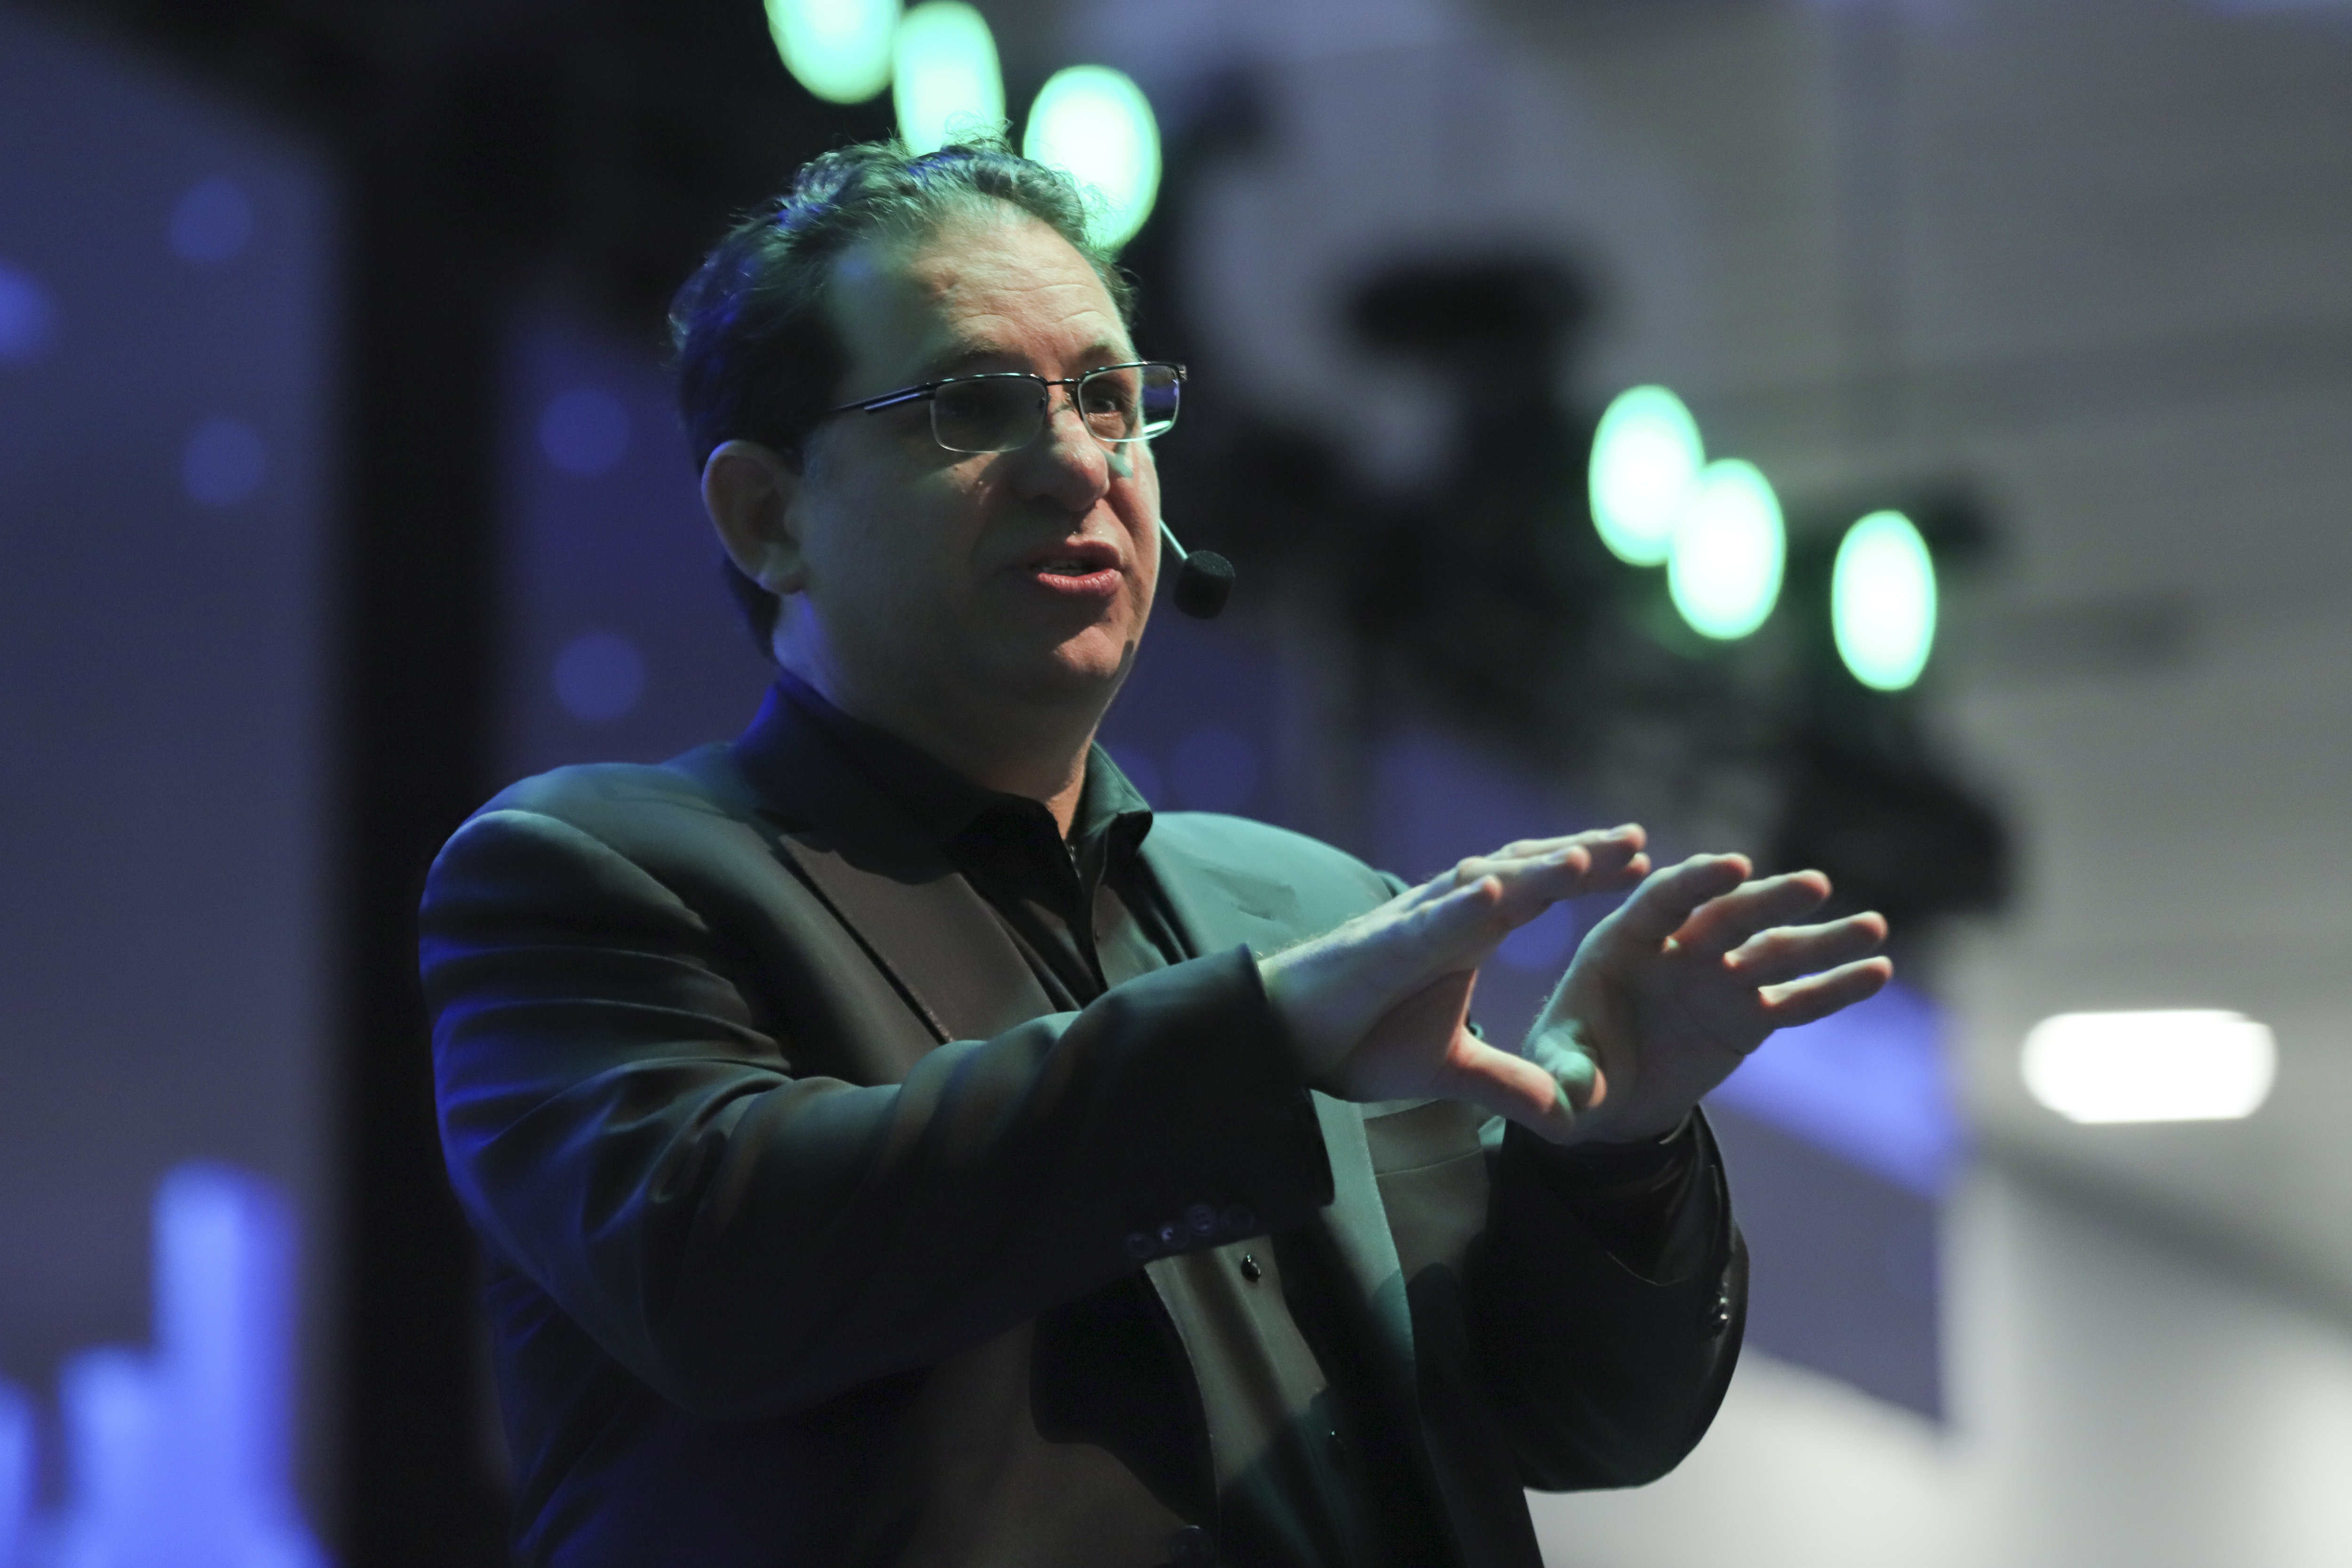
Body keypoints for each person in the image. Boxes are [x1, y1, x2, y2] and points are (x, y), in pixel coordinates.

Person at [419, 137, 1891, 1568]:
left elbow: (1580, 1425)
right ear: (767, 514)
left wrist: (1617, 1152)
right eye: (972, 405)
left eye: (1109, 399)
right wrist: (1248, 1046)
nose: (1075, 461)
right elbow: (717, 1271)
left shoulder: (1313, 908)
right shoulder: (597, 874)